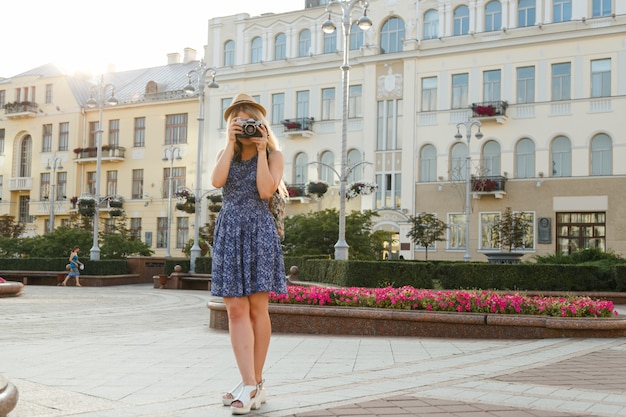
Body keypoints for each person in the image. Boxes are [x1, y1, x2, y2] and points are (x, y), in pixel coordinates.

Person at [210, 93, 288, 415]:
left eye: (249, 121)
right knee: (234, 309)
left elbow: (265, 191)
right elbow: (216, 181)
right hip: (230, 230)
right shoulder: (225, 153)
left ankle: (253, 383)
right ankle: (250, 383)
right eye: (237, 122)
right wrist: (229, 145)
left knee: (257, 309)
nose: (244, 127)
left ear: (262, 124)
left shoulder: (274, 155)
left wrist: (259, 150)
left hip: (258, 231)